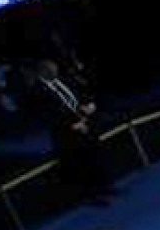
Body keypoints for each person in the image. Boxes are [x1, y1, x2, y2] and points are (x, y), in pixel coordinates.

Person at [32, 58, 109, 203]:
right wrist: (74, 124)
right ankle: (93, 195)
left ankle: (105, 186)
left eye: (55, 69)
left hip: (86, 123)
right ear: (42, 72)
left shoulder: (63, 80)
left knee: (96, 155)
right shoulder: (38, 92)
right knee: (82, 163)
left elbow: (78, 94)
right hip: (67, 133)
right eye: (51, 70)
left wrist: (89, 104)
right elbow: (50, 115)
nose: (55, 71)